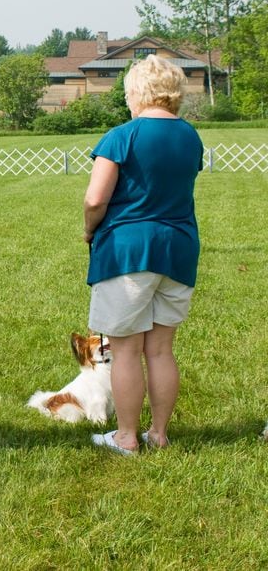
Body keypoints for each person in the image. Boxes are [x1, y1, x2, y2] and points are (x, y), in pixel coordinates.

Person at [84, 54, 203, 456]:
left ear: (136, 92)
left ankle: (126, 437)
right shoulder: (191, 137)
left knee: (126, 350)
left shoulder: (122, 135)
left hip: (129, 251)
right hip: (180, 249)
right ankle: (160, 432)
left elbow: (96, 198)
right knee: (161, 349)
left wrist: (88, 229)